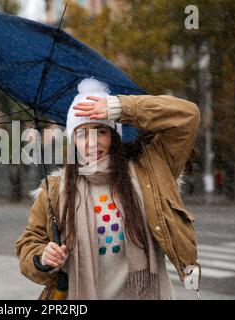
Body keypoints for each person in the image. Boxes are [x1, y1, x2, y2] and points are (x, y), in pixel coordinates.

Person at [15, 78, 200, 300]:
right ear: (73, 140)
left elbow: (188, 116)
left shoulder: (148, 171)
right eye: (83, 133)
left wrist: (120, 108)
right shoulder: (56, 190)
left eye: (101, 131)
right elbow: (29, 244)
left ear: (114, 136)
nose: (92, 143)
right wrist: (43, 258)